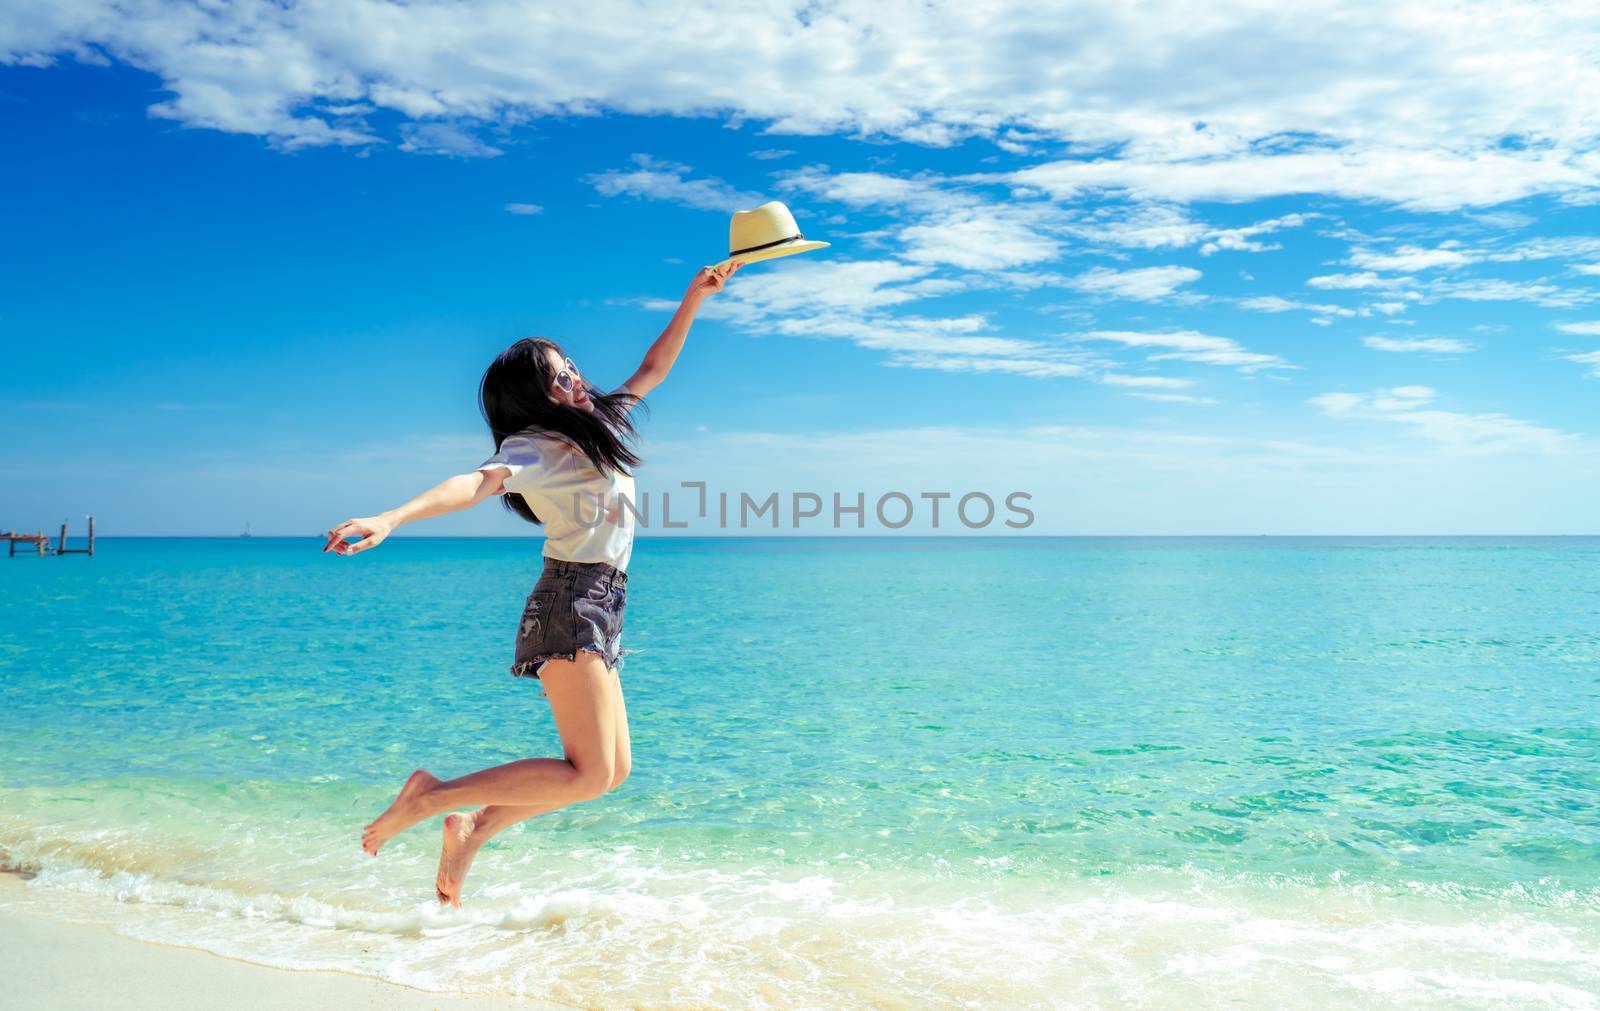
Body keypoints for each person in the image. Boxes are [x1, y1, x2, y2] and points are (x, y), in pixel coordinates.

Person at [323, 260, 744, 906]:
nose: (574, 373)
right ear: (534, 396)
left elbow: (653, 367)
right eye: (557, 374)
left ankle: (473, 825)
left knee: (610, 771)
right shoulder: (533, 446)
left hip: (600, 601)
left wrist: (695, 295)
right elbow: (473, 483)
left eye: (569, 362)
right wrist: (392, 516)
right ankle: (431, 796)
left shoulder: (596, 426)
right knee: (589, 771)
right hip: (570, 601)